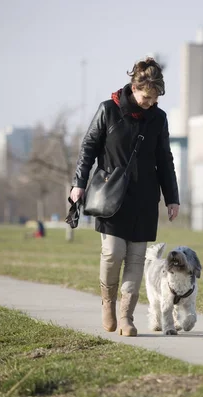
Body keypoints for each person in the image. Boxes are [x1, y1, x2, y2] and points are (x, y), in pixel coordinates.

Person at [69, 57, 179, 337]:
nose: (150, 103)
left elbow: (165, 160)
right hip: (111, 196)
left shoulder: (159, 118)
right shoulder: (108, 110)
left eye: (155, 99)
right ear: (134, 87)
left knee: (136, 259)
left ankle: (126, 317)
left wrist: (172, 197)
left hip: (144, 198)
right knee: (113, 252)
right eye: (146, 96)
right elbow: (89, 147)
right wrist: (78, 184)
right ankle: (108, 302)